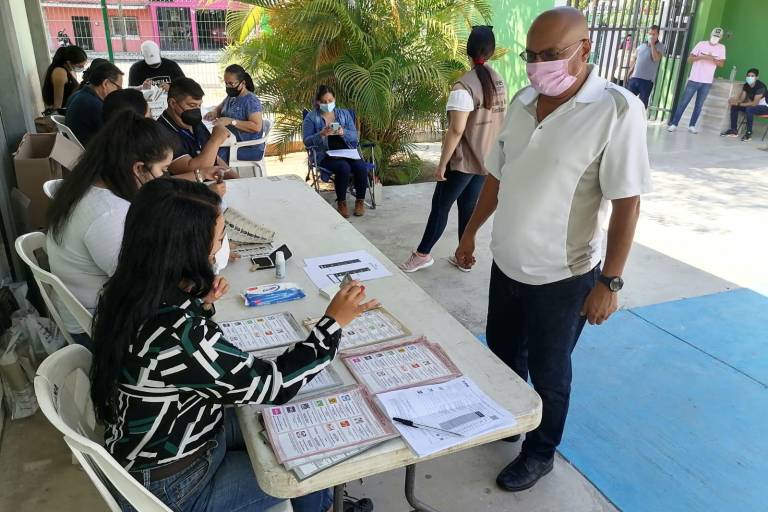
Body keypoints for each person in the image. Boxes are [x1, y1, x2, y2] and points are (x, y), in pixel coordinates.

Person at [90, 178, 379, 512]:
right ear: (187, 250)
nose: (223, 247)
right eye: (220, 238)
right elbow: (276, 385)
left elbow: (181, 363)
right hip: (173, 487)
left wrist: (202, 304)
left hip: (161, 445)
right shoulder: (177, 334)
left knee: (294, 428)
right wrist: (333, 323)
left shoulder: (128, 290)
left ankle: (323, 503)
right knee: (311, 459)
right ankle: (323, 505)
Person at [454, 7, 651, 492]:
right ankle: (513, 418)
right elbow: (497, 178)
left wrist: (611, 281)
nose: (539, 65)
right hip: (508, 266)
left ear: (585, 49)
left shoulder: (617, 110)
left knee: (550, 370)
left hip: (565, 276)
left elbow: (627, 203)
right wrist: (470, 233)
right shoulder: (522, 101)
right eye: (531, 56)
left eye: (551, 55)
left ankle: (540, 452)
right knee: (502, 355)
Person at [46, 112, 177, 348]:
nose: (164, 177)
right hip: (96, 328)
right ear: (138, 168)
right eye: (163, 170)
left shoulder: (89, 183)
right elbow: (145, 289)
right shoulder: (108, 215)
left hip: (88, 308)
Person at [400, 26, 507, 273]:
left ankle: (422, 254)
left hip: (462, 162)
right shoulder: (498, 80)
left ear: (467, 51)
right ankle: (464, 256)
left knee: (440, 207)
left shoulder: (464, 87)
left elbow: (456, 131)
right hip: (486, 160)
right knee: (468, 208)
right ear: (491, 51)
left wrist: (441, 165)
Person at [303, 85, 368, 218]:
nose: (328, 104)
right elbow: (307, 141)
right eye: (324, 102)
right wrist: (321, 134)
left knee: (360, 166)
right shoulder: (311, 117)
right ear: (318, 102)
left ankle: (360, 201)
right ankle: (342, 202)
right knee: (343, 167)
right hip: (325, 155)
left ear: (334, 99)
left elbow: (355, 137)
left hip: (347, 151)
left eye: (330, 101)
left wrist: (343, 132)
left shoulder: (344, 114)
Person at [158, 77, 234, 178]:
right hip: (187, 190)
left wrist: (234, 177)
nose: (196, 110)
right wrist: (215, 140)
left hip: (213, 183)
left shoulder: (193, 121)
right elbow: (196, 170)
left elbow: (211, 155)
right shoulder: (161, 132)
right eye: (192, 105)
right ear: (172, 103)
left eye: (199, 106)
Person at [667, 27, 726, 133]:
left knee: (699, 105)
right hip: (694, 79)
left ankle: (692, 125)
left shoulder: (721, 48)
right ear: (711, 35)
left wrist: (712, 59)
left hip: (707, 82)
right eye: (714, 36)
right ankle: (674, 124)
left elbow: (721, 64)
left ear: (720, 38)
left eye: (717, 37)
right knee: (683, 103)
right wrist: (702, 57)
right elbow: (689, 59)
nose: (715, 38)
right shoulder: (701, 44)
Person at [204, 64, 265, 164]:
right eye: (226, 83)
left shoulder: (250, 101)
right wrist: (214, 112)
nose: (228, 87)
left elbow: (257, 126)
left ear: (242, 83)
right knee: (205, 149)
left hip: (246, 147)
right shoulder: (232, 96)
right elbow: (221, 107)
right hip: (230, 142)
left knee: (210, 156)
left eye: (231, 84)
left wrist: (231, 121)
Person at [64, 61, 124, 146]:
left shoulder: (79, 94)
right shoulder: (94, 106)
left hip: (78, 147)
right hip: (92, 153)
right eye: (118, 88)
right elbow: (115, 138)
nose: (119, 92)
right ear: (105, 84)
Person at [720, 68, 767, 142]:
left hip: (765, 108)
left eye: (752, 76)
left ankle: (749, 133)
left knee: (750, 109)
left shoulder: (761, 87)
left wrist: (739, 103)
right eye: (748, 76)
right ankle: (733, 131)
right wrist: (733, 101)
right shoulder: (746, 85)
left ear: (757, 77)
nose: (750, 77)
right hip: (754, 107)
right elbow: (741, 99)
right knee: (735, 106)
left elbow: (755, 103)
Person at [41, 45, 87, 114]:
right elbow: (57, 105)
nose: (82, 68)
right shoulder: (60, 72)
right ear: (69, 62)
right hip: (63, 113)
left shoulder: (68, 70)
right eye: (80, 66)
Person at [627, 25, 665, 108]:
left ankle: (640, 120)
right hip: (635, 78)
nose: (651, 36)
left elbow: (655, 58)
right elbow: (635, 59)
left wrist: (652, 44)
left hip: (647, 81)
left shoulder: (660, 46)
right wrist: (630, 72)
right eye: (650, 34)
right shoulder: (641, 46)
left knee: (642, 104)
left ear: (658, 35)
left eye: (654, 34)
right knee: (627, 100)